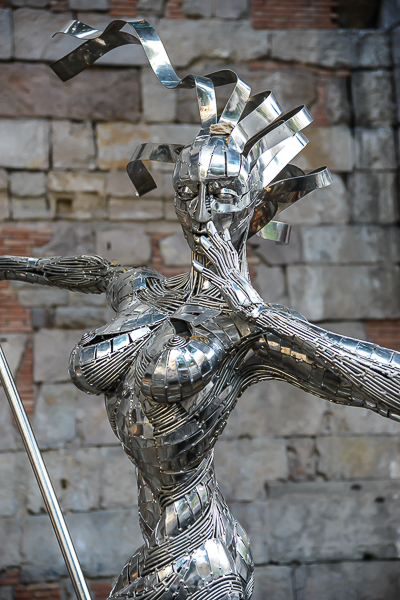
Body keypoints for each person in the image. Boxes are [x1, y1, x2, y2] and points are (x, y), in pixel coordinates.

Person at [1, 19, 399, 600]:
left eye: (221, 193)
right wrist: (8, 265)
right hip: (154, 550)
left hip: (204, 562)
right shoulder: (147, 293)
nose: (202, 209)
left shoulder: (249, 330)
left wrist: (261, 317)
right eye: (188, 192)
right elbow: (96, 271)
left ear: (250, 202)